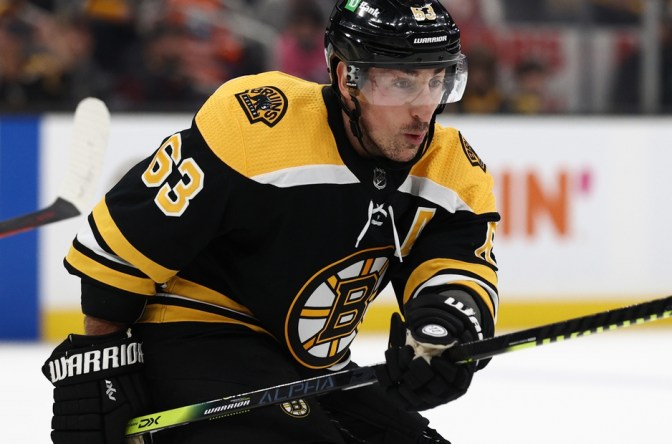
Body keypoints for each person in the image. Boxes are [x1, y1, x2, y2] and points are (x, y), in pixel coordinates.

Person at [41, 0, 500, 443]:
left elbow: (457, 269)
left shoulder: (451, 169)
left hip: (313, 363)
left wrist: (442, 333)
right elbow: (126, 242)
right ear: (346, 78)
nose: (424, 108)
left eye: (438, 81)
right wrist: (95, 361)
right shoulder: (260, 125)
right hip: (194, 330)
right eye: (401, 85)